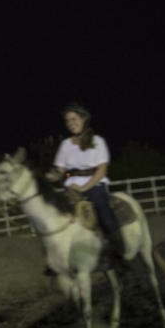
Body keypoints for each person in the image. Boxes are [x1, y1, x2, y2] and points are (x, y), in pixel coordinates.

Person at [45, 102, 125, 264]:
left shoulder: (98, 141)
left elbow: (101, 170)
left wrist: (84, 187)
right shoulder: (65, 145)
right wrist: (50, 176)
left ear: (83, 120)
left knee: (104, 214)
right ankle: (56, 258)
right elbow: (63, 171)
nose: (71, 123)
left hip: (94, 186)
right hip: (71, 189)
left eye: (74, 119)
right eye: (68, 121)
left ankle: (119, 255)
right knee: (55, 218)